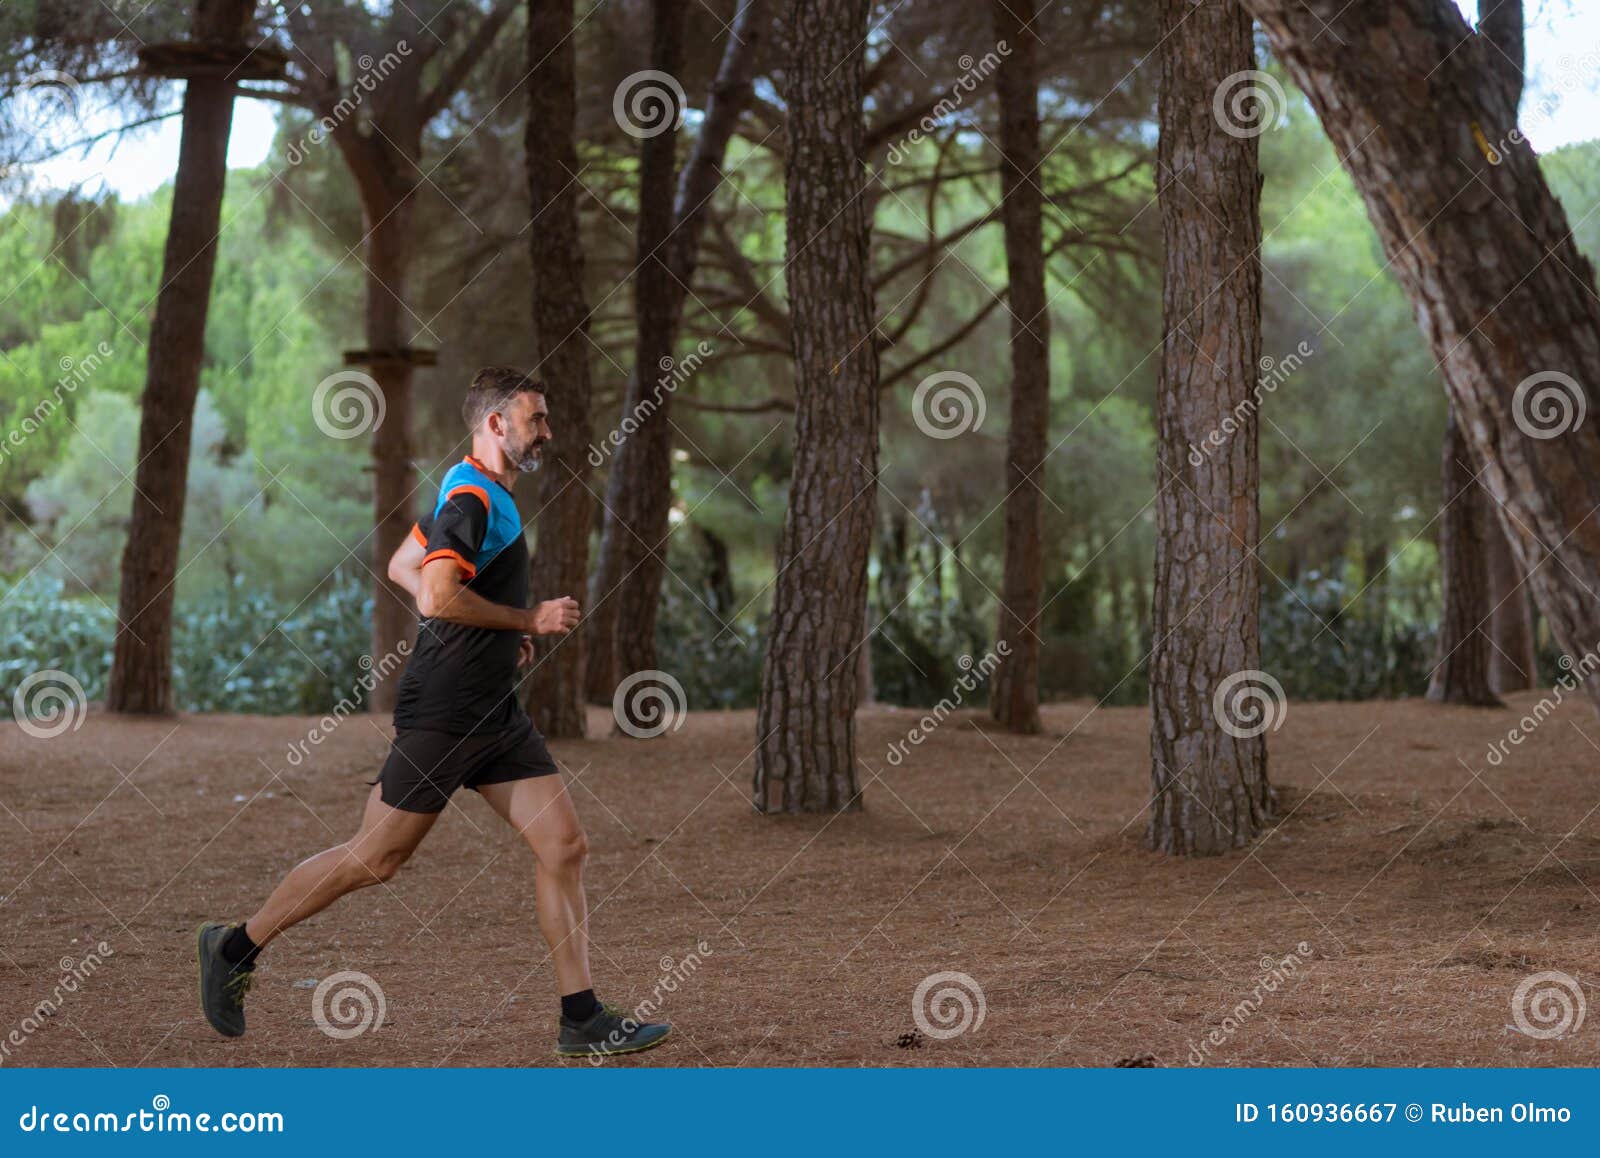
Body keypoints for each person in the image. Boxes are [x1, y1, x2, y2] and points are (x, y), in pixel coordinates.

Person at [195, 366, 670, 1059]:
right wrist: (524, 618)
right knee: (375, 858)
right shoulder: (472, 496)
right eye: (536, 419)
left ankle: (582, 1016)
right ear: (496, 424)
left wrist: (499, 635)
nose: (549, 432)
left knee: (564, 846)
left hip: (493, 709)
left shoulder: (479, 492)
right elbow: (434, 596)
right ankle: (234, 948)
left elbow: (402, 565)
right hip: (446, 709)